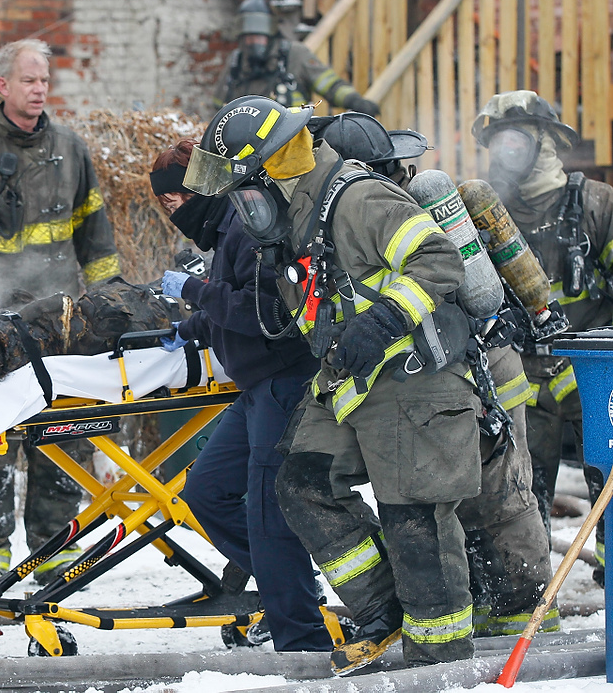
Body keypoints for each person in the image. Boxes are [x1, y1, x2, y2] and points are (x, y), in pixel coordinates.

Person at [183, 96, 481, 673]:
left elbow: (440, 260)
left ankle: (438, 668)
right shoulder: (298, 213)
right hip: (352, 382)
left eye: (244, 189)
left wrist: (387, 318)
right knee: (300, 486)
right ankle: (383, 606)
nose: (243, 208)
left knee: (414, 522)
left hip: (413, 381)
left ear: (273, 166)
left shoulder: (355, 198)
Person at [316, 112, 557, 637]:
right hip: (470, 372)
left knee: (501, 499)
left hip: (483, 370)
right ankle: (501, 611)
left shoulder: (391, 215)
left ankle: (529, 624)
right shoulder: (380, 209)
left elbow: (453, 286)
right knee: (483, 500)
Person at [0, 38, 121, 591]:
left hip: (61, 323)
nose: (40, 89)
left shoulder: (72, 151)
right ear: (2, 86)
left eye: (44, 80)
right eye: (29, 79)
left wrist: (110, 307)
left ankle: (54, 546)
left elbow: (97, 241)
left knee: (63, 434)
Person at [150, 139, 331, 652]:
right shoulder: (226, 231)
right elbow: (231, 303)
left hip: (282, 382)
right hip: (255, 388)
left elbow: (264, 314)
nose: (173, 214)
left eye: (175, 202)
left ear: (199, 190)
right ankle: (289, 589)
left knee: (269, 515)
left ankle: (303, 639)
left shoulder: (248, 228)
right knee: (206, 491)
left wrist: (193, 290)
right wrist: (194, 327)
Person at [473, 90, 613, 587]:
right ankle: (526, 588)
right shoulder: (480, 212)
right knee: (516, 491)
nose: (502, 153)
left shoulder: (597, 204)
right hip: (519, 375)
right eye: (495, 143)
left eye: (513, 140)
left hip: (593, 369)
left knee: (608, 474)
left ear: (544, 140)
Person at [213, 0, 379, 117]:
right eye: (248, 37)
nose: (253, 42)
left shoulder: (295, 55)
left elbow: (329, 84)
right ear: (241, 38)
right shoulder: (236, 62)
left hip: (292, 142)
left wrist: (354, 100)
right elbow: (218, 106)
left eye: (258, 37)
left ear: (270, 33)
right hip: (245, 145)